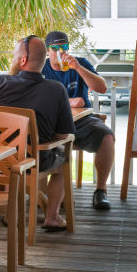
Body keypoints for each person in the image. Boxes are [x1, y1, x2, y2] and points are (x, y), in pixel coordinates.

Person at [0, 36, 75, 232]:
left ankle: (11, 214)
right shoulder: (57, 90)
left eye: (15, 55)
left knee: (12, 154)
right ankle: (52, 217)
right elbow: (62, 135)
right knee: (63, 157)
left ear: (23, 60)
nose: (13, 58)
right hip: (35, 160)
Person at [39, 30, 117, 211]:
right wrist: (69, 100)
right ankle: (53, 199)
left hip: (82, 120)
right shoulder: (42, 69)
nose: (60, 52)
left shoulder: (80, 63)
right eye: (55, 48)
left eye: (64, 47)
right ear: (47, 51)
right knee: (50, 146)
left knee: (107, 137)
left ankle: (100, 190)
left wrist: (79, 69)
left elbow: (102, 87)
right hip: (52, 123)